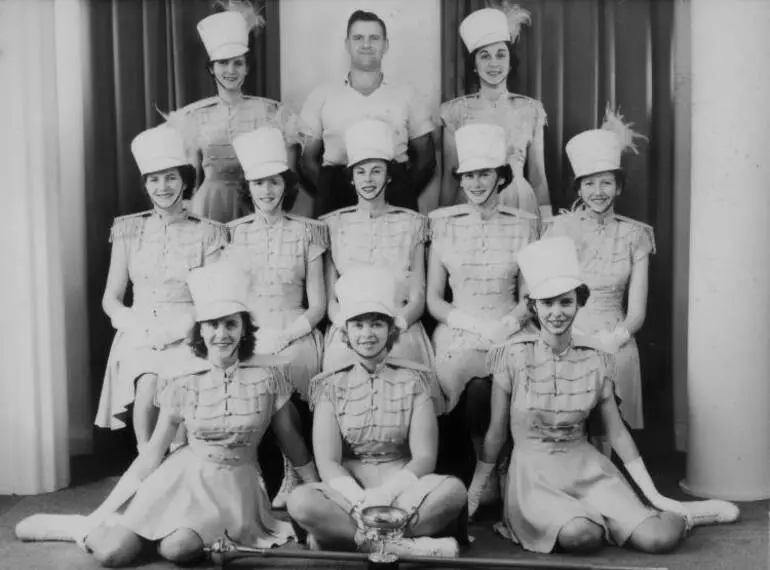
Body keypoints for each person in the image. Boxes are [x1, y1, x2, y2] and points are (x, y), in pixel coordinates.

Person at [16, 261, 319, 567]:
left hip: (235, 486)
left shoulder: (270, 376)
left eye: (231, 324)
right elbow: (151, 455)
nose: (221, 334)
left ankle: (150, 534)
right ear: (200, 330)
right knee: (112, 555)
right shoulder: (182, 380)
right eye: (212, 324)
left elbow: (293, 444)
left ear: (243, 329)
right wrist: (102, 510)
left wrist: (320, 492)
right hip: (179, 478)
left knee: (179, 550)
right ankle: (84, 528)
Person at [466, 237, 740, 555]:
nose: (556, 312)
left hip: (587, 469)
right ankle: (595, 522)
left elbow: (617, 432)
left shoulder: (596, 357)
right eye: (547, 303)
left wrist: (655, 496)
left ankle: (686, 515)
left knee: (657, 539)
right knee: (581, 536)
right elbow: (496, 432)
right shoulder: (511, 355)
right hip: (533, 477)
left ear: (579, 303)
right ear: (533, 307)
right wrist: (475, 492)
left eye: (565, 302)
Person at [287, 266, 467, 558]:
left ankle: (347, 539)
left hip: (405, 491)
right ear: (346, 333)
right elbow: (328, 461)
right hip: (349, 495)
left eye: (376, 324)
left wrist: (385, 496)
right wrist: (361, 501)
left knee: (454, 491)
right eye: (358, 325)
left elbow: (424, 458)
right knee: (300, 501)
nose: (367, 334)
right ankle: (403, 546)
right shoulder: (329, 385)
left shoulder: (416, 380)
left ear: (391, 330)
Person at [94, 124, 227, 450]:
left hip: (190, 327)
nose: (162, 186)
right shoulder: (128, 230)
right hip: (138, 328)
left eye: (170, 177)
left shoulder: (208, 232)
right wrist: (135, 326)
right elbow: (111, 297)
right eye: (154, 178)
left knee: (177, 386)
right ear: (146, 184)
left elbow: (213, 296)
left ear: (184, 181)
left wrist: (180, 328)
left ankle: (180, 466)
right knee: (148, 384)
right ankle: (148, 465)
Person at [427, 123, 537, 501]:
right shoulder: (443, 225)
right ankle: (479, 466)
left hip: (512, 325)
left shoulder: (523, 227)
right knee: (464, 375)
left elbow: (530, 295)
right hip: (460, 326)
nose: (475, 183)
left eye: (484, 174)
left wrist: (509, 323)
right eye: (468, 175)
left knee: (522, 369)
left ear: (500, 176)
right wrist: (471, 324)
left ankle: (508, 465)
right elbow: (434, 301)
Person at [226, 126, 328, 508]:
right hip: (247, 332)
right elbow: (231, 299)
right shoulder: (231, 235)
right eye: (258, 184)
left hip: (295, 329)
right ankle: (248, 473)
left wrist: (287, 335)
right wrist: (249, 334)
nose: (266, 191)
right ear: (247, 189)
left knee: (290, 364)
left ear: (285, 186)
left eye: (273, 182)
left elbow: (316, 305)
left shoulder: (309, 232)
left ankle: (292, 473)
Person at [543, 106, 652, 432]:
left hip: (615, 335)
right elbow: (546, 296)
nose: (598, 192)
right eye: (589, 184)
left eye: (606, 183)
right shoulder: (558, 229)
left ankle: (604, 463)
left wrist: (613, 338)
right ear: (578, 189)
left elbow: (637, 312)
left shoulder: (637, 234)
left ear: (618, 187)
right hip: (565, 329)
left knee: (612, 376)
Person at [320, 120, 439, 408]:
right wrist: (346, 328)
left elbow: (418, 295)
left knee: (401, 357)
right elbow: (331, 300)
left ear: (388, 176)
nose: (368, 179)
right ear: (351, 178)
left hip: (400, 322)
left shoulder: (413, 223)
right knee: (341, 358)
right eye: (360, 172)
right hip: (348, 325)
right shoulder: (330, 225)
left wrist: (397, 325)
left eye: (376, 170)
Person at [166, 4, 301, 223]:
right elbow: (190, 182)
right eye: (223, 63)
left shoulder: (269, 113)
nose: (231, 71)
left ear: (247, 68)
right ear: (211, 68)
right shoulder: (195, 117)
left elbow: (287, 177)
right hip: (209, 205)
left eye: (238, 63)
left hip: (256, 205)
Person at [300, 9, 436, 216]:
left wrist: (401, 191)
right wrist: (329, 192)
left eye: (374, 38)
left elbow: (426, 159)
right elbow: (306, 160)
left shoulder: (408, 94)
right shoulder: (321, 95)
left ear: (385, 45)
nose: (366, 45)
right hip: (335, 191)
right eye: (358, 38)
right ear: (347, 45)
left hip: (394, 189)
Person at [439, 6, 550, 219]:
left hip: (519, 203)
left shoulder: (530, 109)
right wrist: (441, 220)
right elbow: (449, 177)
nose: (493, 63)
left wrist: (547, 222)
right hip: (471, 202)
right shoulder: (455, 111)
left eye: (500, 55)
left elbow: (538, 176)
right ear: (474, 64)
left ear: (510, 62)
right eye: (485, 56)